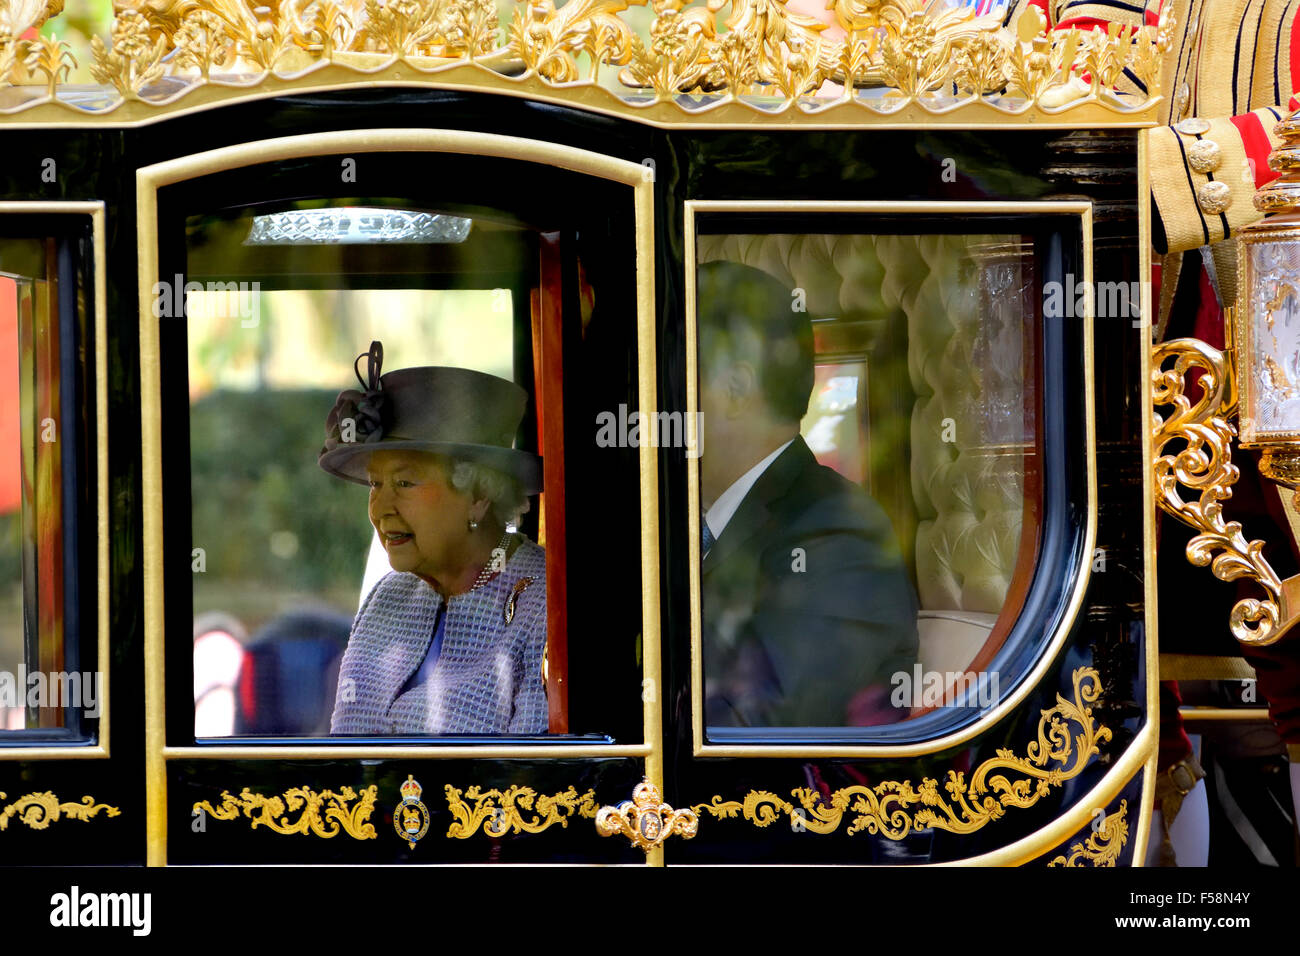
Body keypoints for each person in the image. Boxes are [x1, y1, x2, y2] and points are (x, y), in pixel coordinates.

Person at [697, 261, 919, 728]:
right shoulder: (692, 529)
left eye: (666, 375)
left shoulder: (838, 530)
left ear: (735, 388)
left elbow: (770, 727)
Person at [319, 341, 548, 734]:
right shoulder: (387, 596)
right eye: (376, 483)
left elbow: (534, 782)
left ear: (478, 495)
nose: (381, 506)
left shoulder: (545, 602)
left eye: (405, 482)